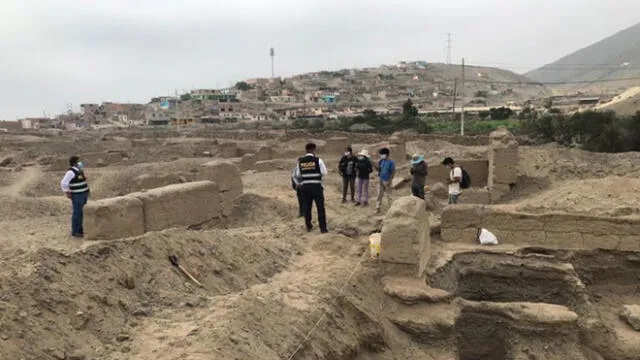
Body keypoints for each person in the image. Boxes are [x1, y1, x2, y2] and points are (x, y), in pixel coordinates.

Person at [293, 143, 328, 233]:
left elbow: (298, 175)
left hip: (306, 187)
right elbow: (324, 172)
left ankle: (308, 226)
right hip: (316, 186)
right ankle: (323, 228)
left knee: (307, 207)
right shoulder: (318, 160)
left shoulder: (300, 162)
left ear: (306, 150)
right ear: (313, 150)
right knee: (320, 207)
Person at [60, 155, 90, 238]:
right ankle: (75, 231)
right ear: (74, 163)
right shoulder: (71, 172)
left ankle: (80, 229)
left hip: (83, 194)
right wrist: (67, 192)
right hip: (77, 195)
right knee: (77, 213)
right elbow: (63, 183)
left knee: (82, 213)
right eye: (78, 161)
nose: (81, 163)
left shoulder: (79, 171)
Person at [374, 147, 395, 214]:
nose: (380, 155)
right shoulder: (381, 161)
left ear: (386, 154)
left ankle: (391, 210)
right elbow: (379, 170)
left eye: (381, 154)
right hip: (381, 179)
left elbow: (393, 172)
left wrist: (389, 180)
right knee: (379, 195)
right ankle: (377, 208)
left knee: (389, 196)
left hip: (387, 180)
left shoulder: (391, 162)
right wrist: (375, 166)